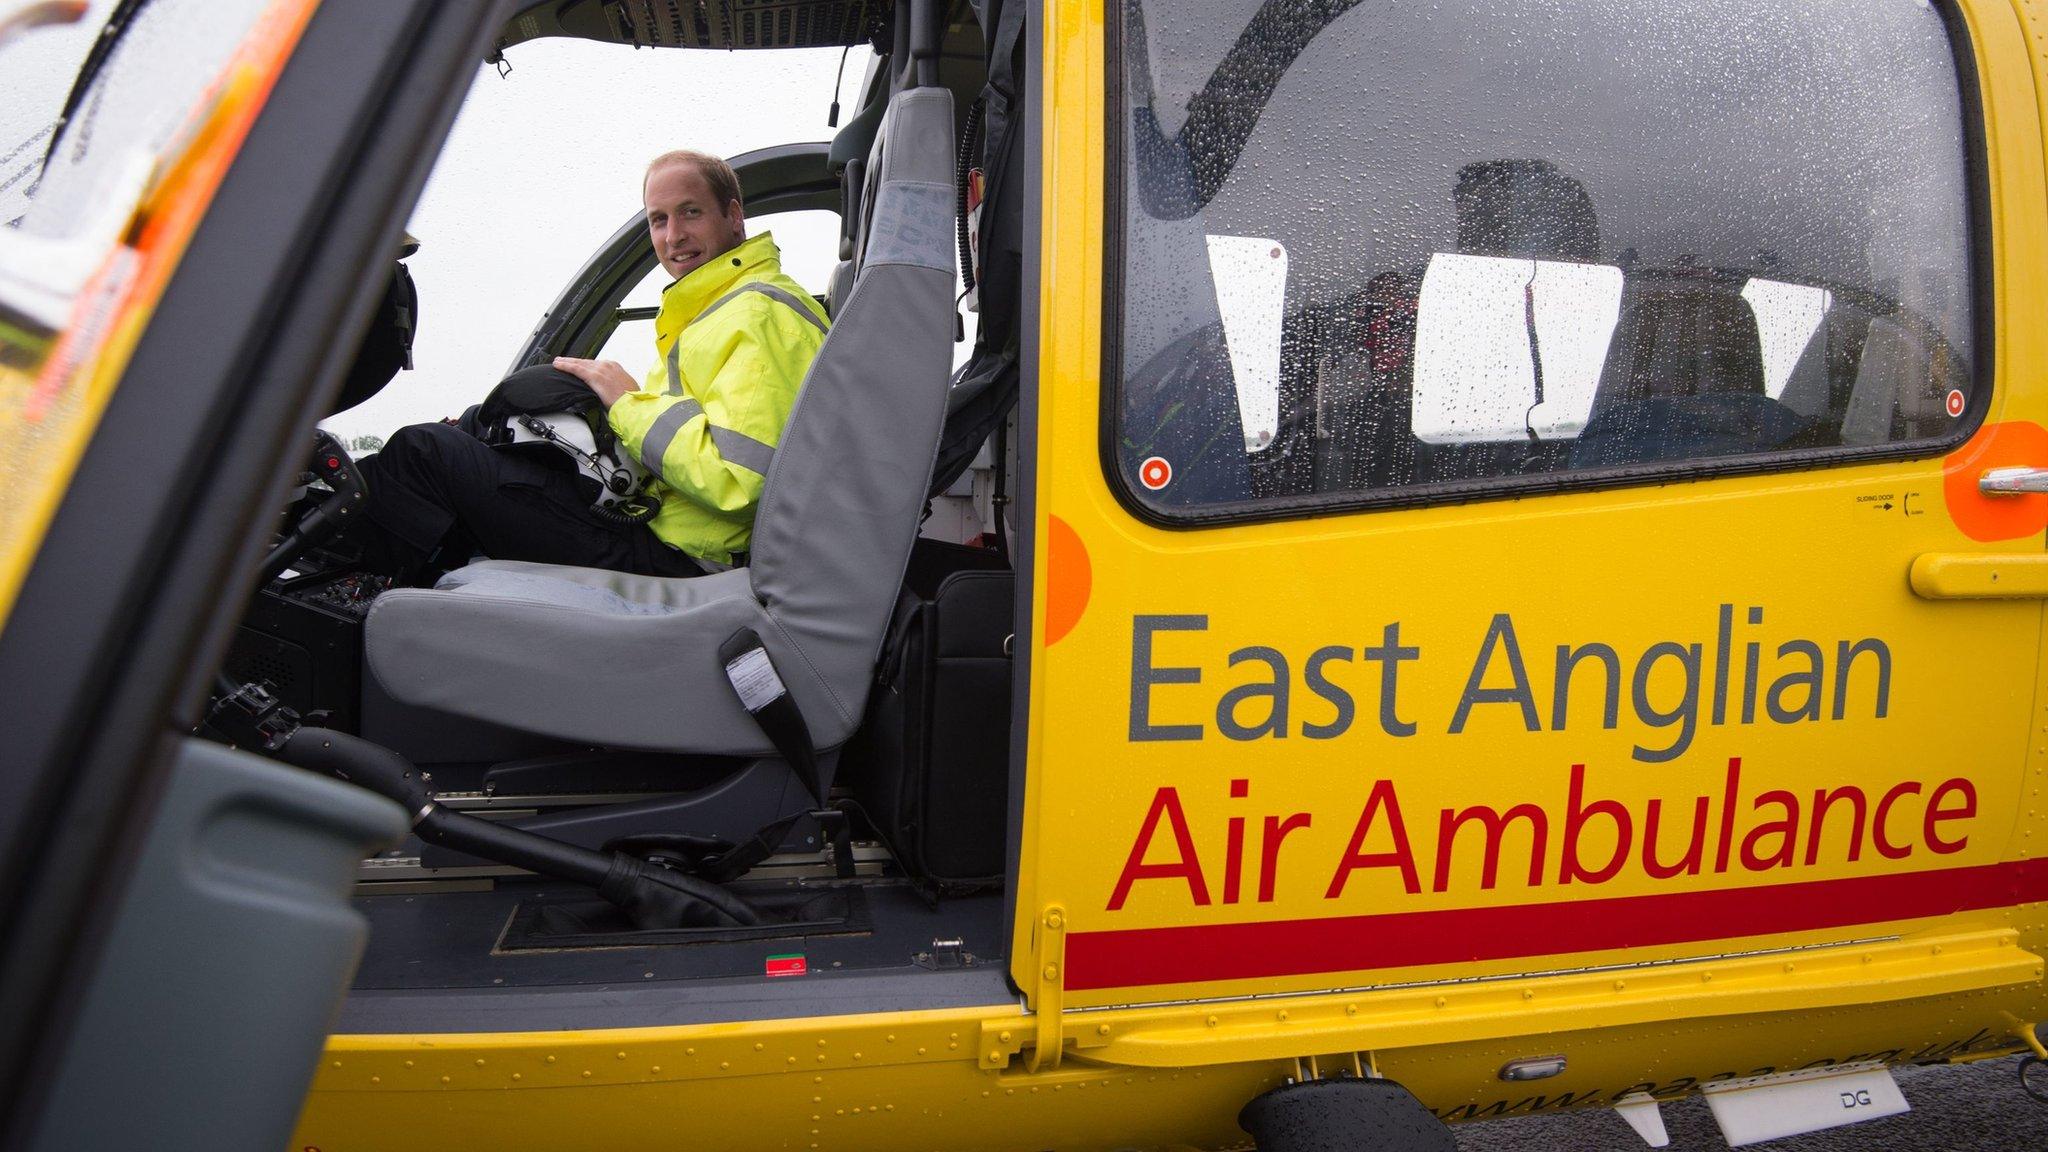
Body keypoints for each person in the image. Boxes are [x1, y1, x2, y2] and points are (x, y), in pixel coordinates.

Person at [350, 150, 828, 579]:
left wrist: (625, 400)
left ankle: (342, 577)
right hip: (662, 525)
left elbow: (740, 481)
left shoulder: (760, 313)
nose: (674, 235)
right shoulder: (719, 310)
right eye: (658, 220)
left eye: (691, 212)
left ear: (734, 216)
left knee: (426, 452)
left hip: (683, 556)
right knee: (477, 426)